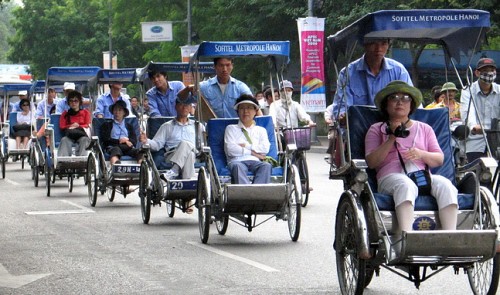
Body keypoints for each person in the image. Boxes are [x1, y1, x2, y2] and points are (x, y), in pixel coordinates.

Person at [365, 81, 458, 232]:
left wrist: (421, 154)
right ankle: (406, 238)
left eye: (406, 98)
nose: (400, 102)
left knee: (446, 185)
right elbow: (371, 162)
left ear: (411, 105)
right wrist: (392, 138)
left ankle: (449, 236)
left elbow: (439, 159)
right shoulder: (377, 129)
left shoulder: (424, 128)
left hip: (422, 176)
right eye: (394, 98)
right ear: (386, 105)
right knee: (405, 185)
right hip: (390, 177)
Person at [327, 39, 413, 124]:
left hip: (392, 129)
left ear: (388, 45)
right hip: (358, 130)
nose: (378, 49)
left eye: (383, 44)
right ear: (364, 44)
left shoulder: (399, 70)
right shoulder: (347, 73)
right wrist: (343, 116)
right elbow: (342, 108)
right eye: (373, 43)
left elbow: (412, 103)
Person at [139, 93, 202, 181]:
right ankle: (186, 184)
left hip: (194, 155)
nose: (184, 107)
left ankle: (174, 170)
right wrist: (146, 141)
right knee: (188, 152)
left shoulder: (198, 126)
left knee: (189, 150)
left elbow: (202, 145)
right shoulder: (167, 126)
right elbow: (157, 144)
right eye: (181, 105)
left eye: (187, 105)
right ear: (176, 107)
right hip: (172, 155)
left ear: (190, 107)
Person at [224, 94, 271, 184]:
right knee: (237, 167)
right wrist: (253, 152)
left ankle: (257, 195)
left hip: (256, 161)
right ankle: (245, 196)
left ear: (255, 111)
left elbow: (265, 149)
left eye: (249, 108)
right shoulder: (230, 128)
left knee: (266, 166)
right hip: (237, 161)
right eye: (242, 108)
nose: (246, 111)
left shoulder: (261, 130)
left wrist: (246, 146)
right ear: (237, 111)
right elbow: (230, 150)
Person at [460, 57, 500, 162]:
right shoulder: (467, 91)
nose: (489, 73)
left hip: (497, 136)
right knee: (476, 169)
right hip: (475, 138)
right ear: (477, 73)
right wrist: (473, 126)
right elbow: (467, 111)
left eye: (492, 70)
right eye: (485, 71)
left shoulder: (499, 90)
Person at [100, 100, 141, 165]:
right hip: (113, 146)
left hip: (126, 147)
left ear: (124, 112)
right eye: (115, 110)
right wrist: (120, 141)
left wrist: (127, 140)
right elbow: (106, 140)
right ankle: (116, 167)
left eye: (120, 110)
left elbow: (134, 141)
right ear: (113, 112)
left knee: (139, 152)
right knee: (115, 150)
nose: (117, 113)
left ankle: (142, 168)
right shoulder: (107, 125)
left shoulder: (129, 126)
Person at [57, 90, 91, 157]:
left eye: (76, 101)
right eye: (71, 101)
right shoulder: (65, 114)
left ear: (79, 102)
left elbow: (87, 124)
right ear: (68, 103)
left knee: (85, 140)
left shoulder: (85, 112)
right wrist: (70, 126)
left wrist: (78, 126)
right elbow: (62, 126)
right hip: (70, 135)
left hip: (81, 135)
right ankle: (64, 161)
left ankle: (83, 160)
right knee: (64, 140)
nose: (73, 103)